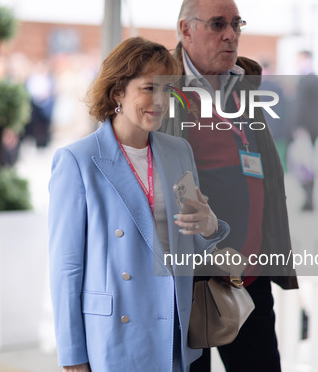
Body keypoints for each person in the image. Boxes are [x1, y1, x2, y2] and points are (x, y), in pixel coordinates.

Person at [48, 37, 230, 372]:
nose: (161, 101)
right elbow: (66, 269)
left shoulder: (178, 152)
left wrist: (209, 228)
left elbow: (188, 245)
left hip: (173, 328)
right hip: (116, 333)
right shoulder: (78, 161)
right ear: (118, 91)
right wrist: (73, 356)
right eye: (149, 88)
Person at [160, 0, 298, 371]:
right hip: (190, 286)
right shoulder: (160, 88)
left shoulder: (244, 85)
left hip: (249, 279)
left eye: (236, 24)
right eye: (218, 24)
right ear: (185, 30)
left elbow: (264, 173)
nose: (231, 34)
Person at [293, 50, 318, 211]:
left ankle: (308, 199)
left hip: (306, 128)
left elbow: (302, 106)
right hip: (314, 127)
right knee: (309, 164)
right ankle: (309, 199)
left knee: (303, 164)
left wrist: (300, 126)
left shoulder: (306, 80)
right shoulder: (315, 80)